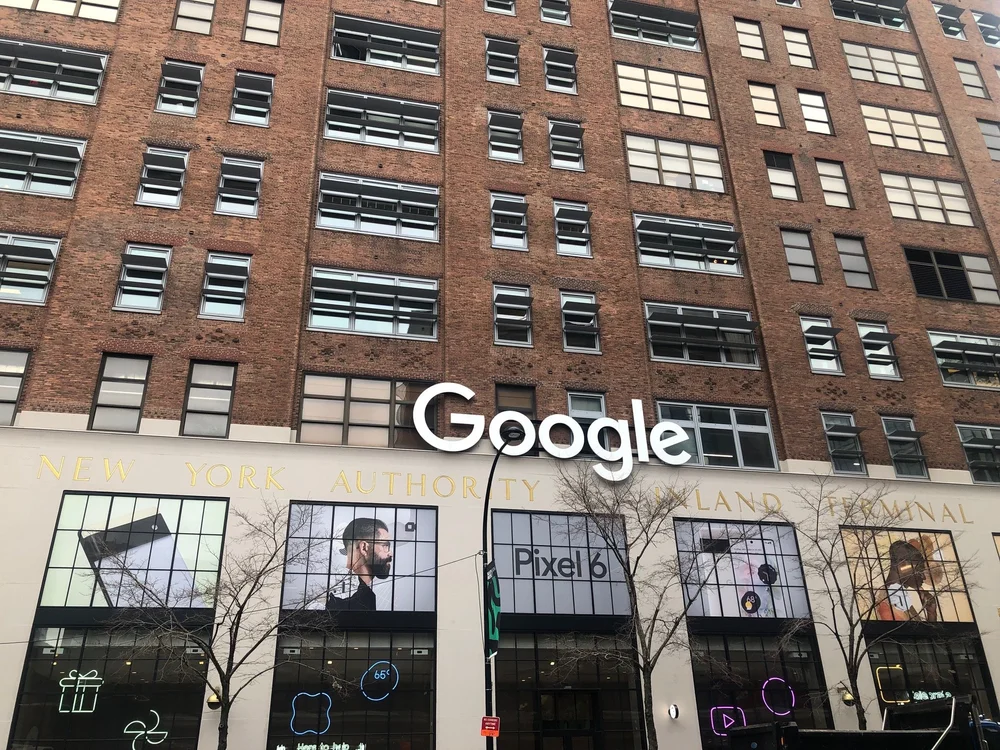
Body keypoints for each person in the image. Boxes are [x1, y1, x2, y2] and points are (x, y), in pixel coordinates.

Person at [327, 518, 393, 611]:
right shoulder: (337, 593)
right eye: (385, 546)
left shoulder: (366, 594)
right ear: (364, 548)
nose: (391, 554)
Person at [875, 539, 939, 622]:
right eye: (919, 571)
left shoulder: (897, 597)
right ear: (903, 566)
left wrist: (931, 613)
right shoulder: (888, 606)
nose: (923, 578)